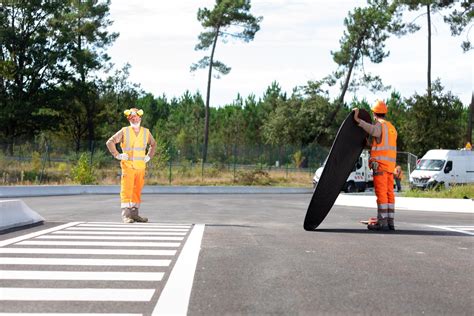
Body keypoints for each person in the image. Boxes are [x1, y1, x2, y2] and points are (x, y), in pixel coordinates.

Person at [106, 108, 157, 223]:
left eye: (136, 117)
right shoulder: (124, 131)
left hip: (140, 167)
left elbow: (153, 144)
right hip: (128, 167)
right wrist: (117, 155)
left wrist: (149, 156)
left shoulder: (146, 132)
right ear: (129, 119)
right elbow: (110, 142)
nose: (134, 119)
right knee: (127, 190)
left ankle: (135, 214)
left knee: (137, 191)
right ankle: (126, 215)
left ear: (140, 117)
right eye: (132, 117)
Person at [353, 100, 397, 231]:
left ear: (374, 113)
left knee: (382, 194)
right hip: (390, 168)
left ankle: (382, 222)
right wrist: (371, 145)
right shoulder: (391, 128)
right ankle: (390, 222)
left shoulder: (380, 125)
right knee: (389, 194)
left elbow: (373, 130)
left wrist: (357, 120)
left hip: (381, 167)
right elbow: (383, 145)